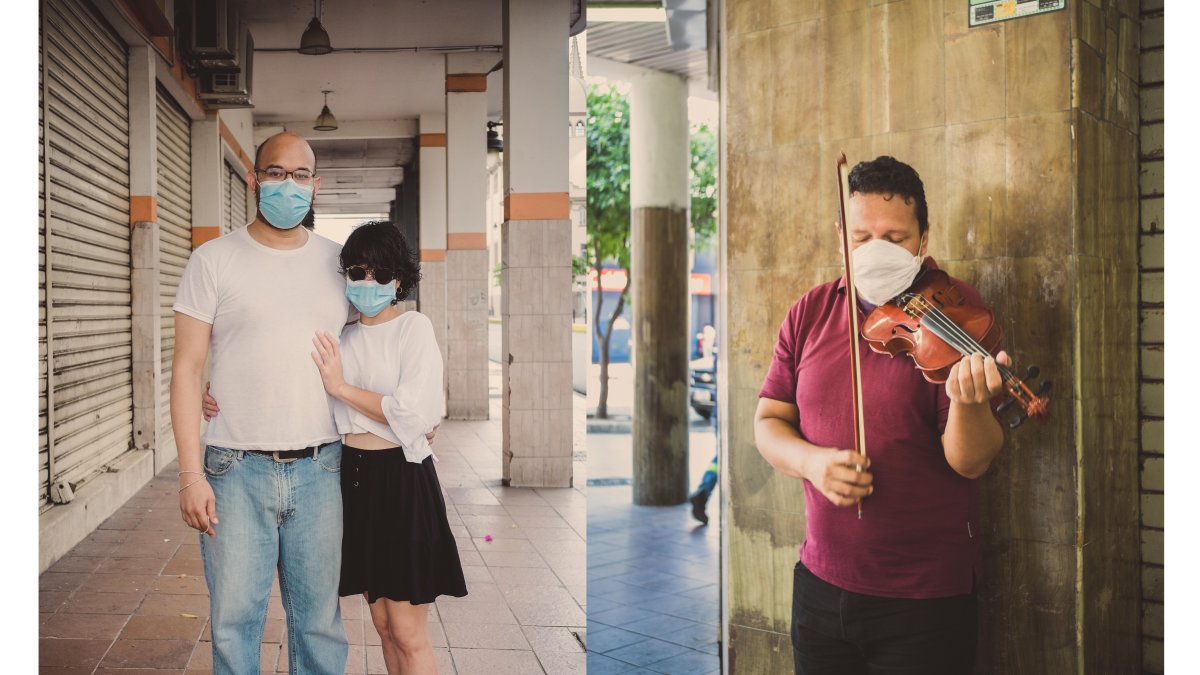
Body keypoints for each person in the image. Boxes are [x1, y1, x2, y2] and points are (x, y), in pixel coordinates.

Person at [753, 156, 1008, 674]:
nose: (876, 250)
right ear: (840, 235)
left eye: (894, 238)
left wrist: (969, 402)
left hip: (924, 602)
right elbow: (769, 422)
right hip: (820, 588)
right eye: (862, 236)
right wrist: (812, 463)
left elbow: (972, 463)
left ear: (923, 238)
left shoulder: (954, 310)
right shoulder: (810, 312)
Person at [171, 132, 351, 673]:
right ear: (254, 180)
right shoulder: (214, 260)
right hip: (232, 468)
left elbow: (371, 349)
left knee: (320, 625)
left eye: (300, 176)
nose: (288, 186)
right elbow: (186, 367)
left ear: (315, 186)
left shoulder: (341, 264)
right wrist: (189, 475)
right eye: (275, 173)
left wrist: (409, 410)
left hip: (322, 468)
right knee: (233, 625)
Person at [310, 220, 468, 673]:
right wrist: (213, 396)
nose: (368, 283)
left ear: (399, 279)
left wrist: (342, 389)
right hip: (353, 480)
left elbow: (415, 414)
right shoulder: (341, 337)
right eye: (358, 272)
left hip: (401, 481)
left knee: (407, 630)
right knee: (380, 623)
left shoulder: (413, 329)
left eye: (380, 274)